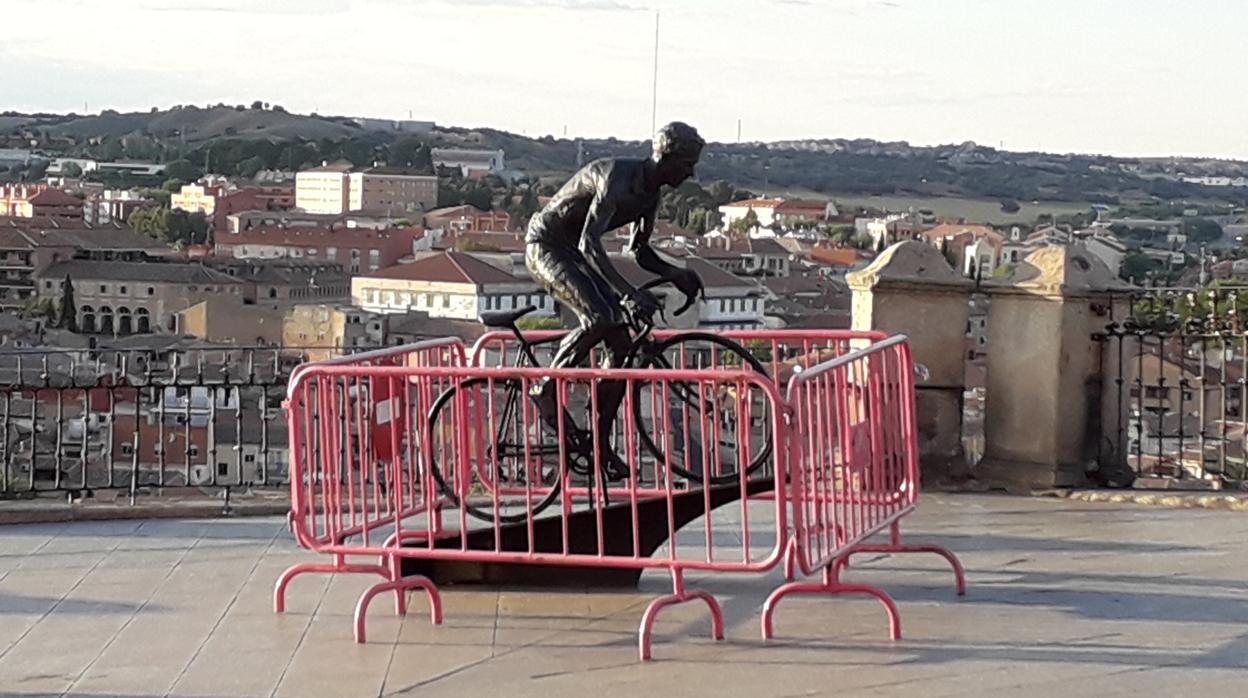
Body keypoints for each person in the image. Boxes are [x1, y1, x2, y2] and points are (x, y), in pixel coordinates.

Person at [525, 121, 706, 478]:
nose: (691, 172)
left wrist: (676, 272)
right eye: (687, 164)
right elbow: (588, 243)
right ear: (667, 157)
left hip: (573, 253)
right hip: (546, 246)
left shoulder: (650, 195)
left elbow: (639, 252)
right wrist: (630, 293)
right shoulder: (615, 178)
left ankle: (599, 444)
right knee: (600, 318)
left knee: (621, 343)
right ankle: (545, 385)